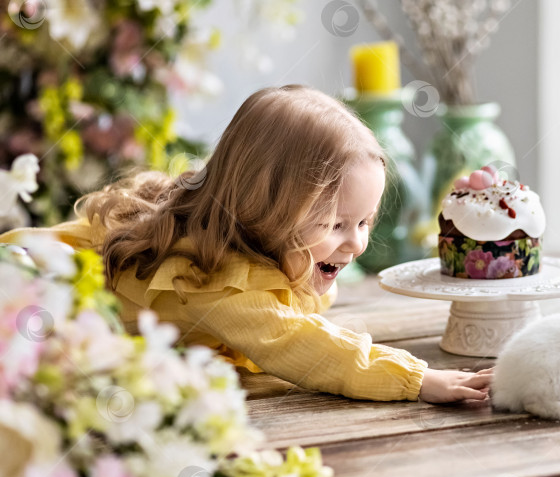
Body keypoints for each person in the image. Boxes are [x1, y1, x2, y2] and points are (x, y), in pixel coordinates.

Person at [0, 85, 491, 403]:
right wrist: (416, 379)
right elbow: (304, 343)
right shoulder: (215, 281)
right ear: (266, 208)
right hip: (19, 295)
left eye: (364, 222)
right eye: (336, 225)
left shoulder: (250, 238)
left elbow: (305, 300)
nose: (357, 243)